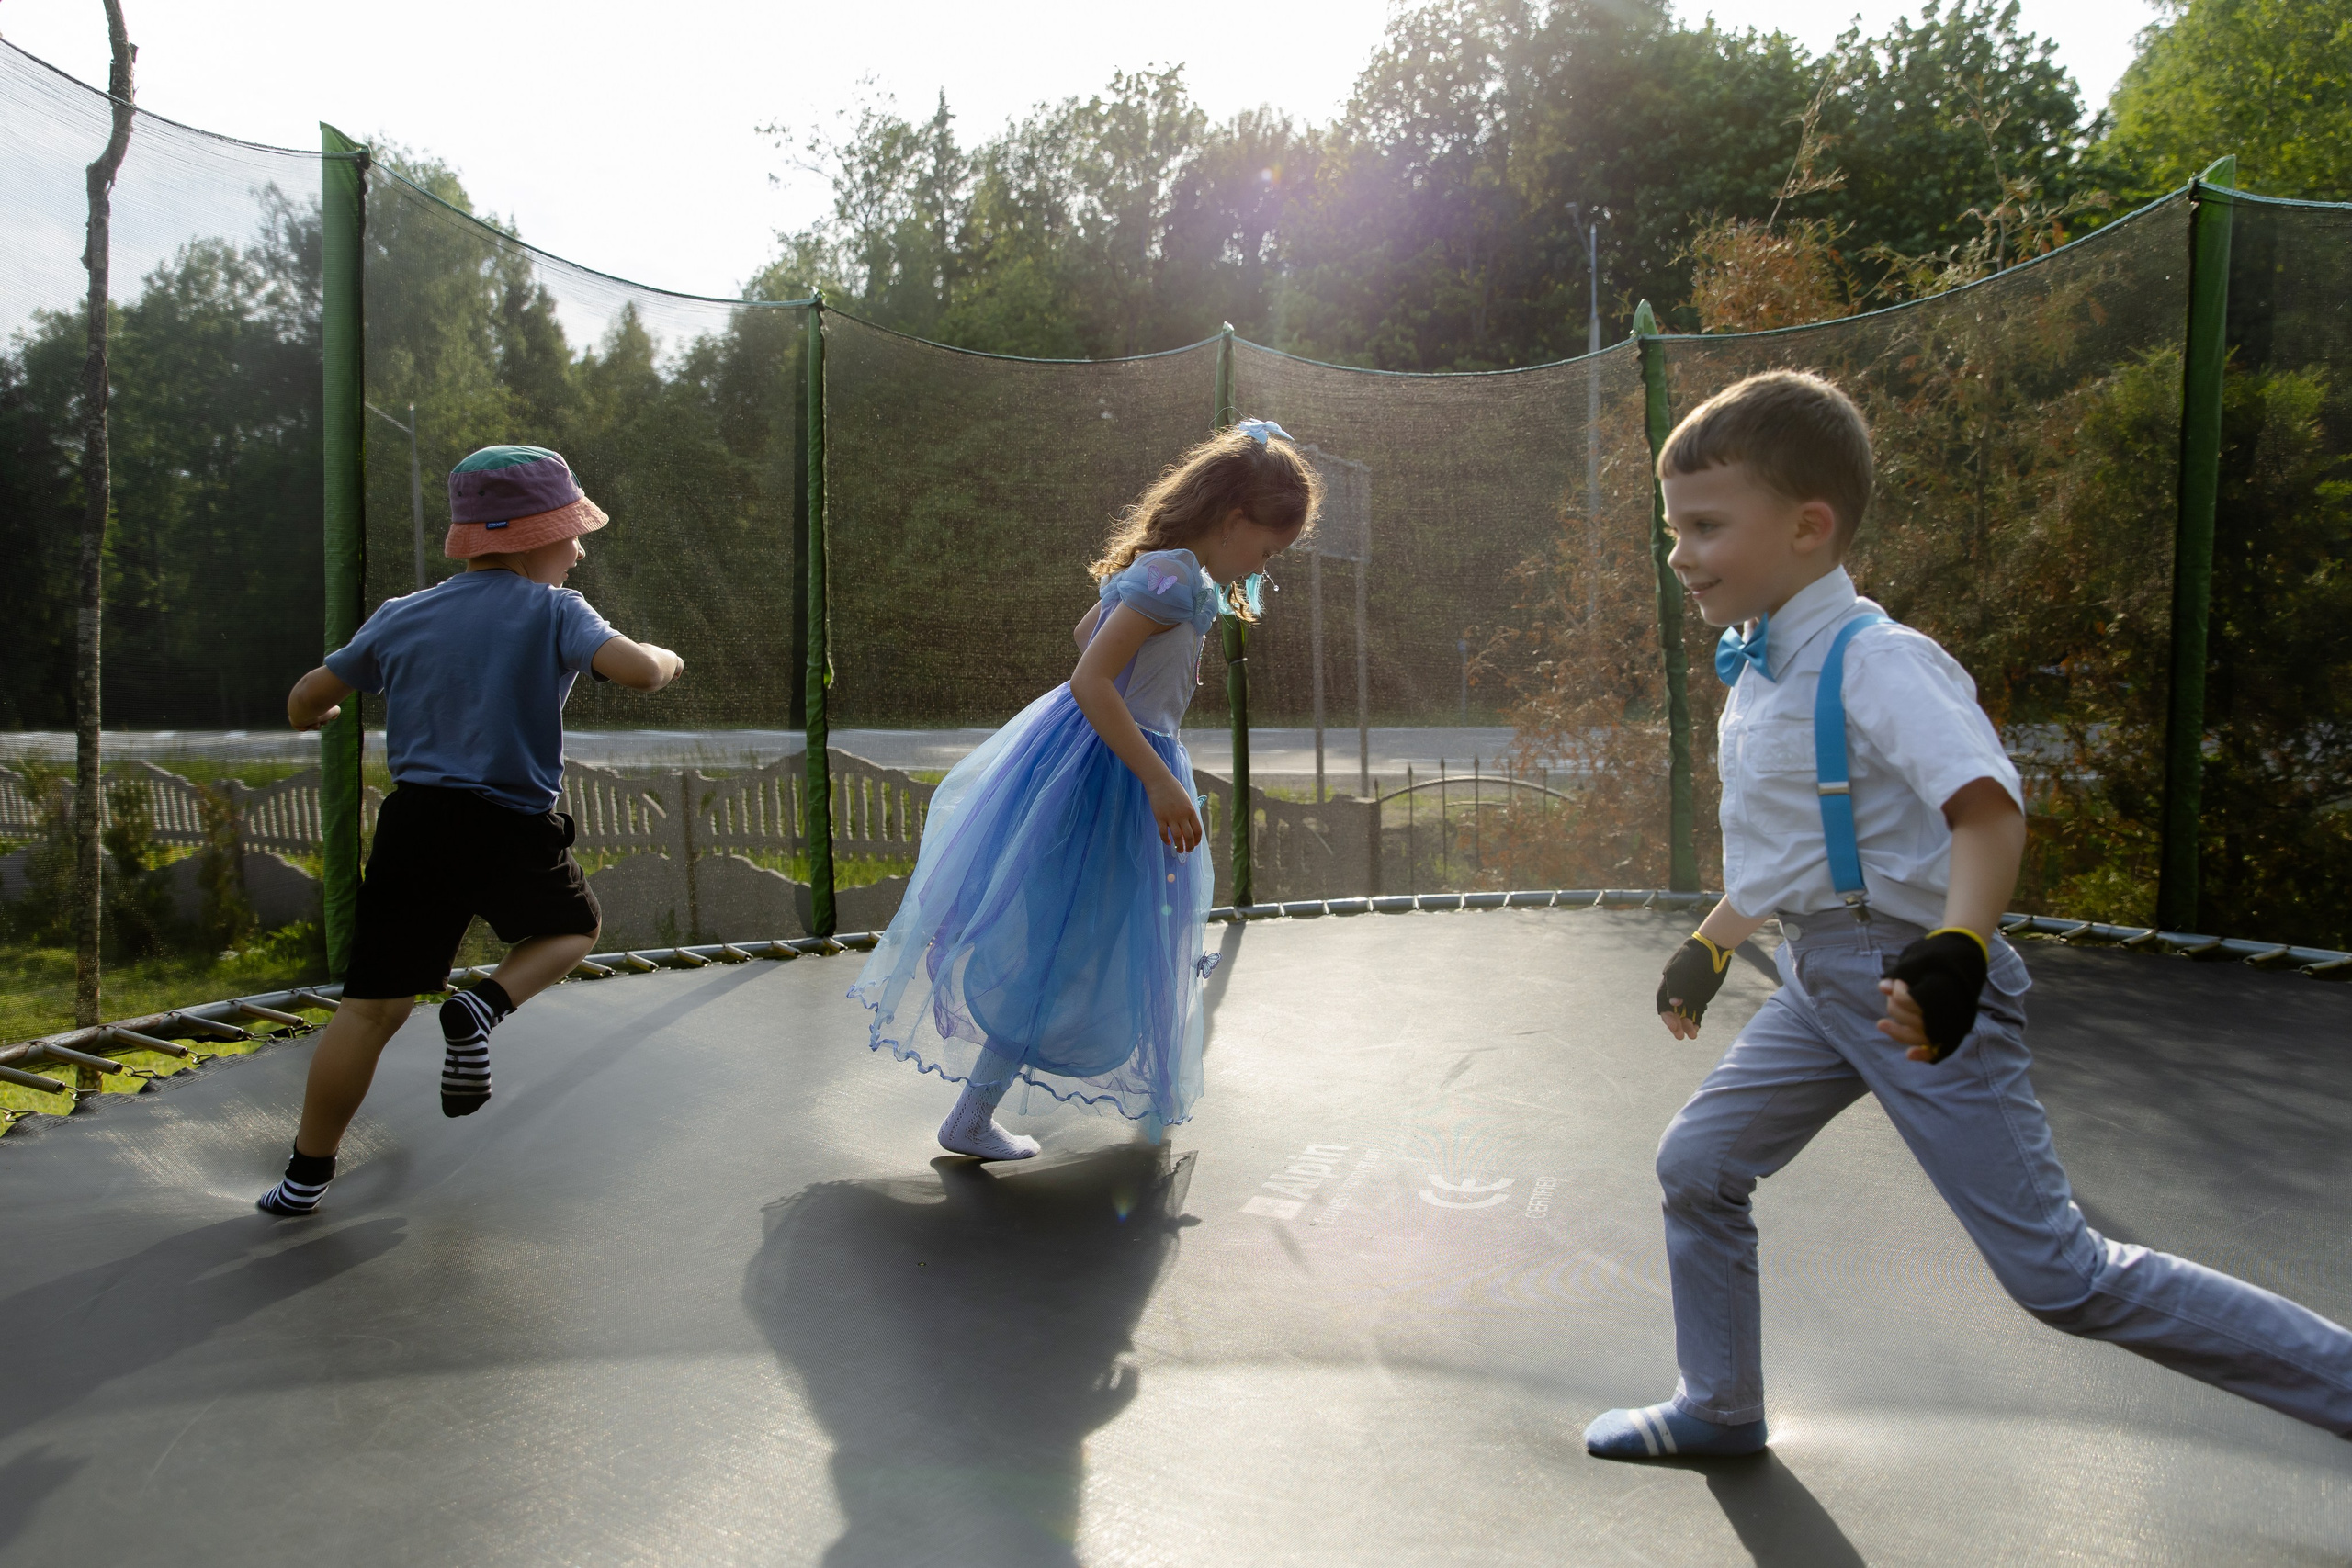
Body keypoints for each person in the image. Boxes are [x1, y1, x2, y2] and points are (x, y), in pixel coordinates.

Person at [1584, 371, 2352, 1458]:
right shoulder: (1759, 672)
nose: (1680, 555)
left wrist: (1958, 947)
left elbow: (1987, 810)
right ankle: (1718, 1403)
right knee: (1697, 1165)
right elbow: (1793, 851)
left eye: (1705, 527)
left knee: (2059, 1276)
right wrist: (1714, 943)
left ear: (1809, 528)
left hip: (1909, 986)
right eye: (1674, 529)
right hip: (1817, 983)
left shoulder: (1877, 660)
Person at [851, 420, 1319, 1159]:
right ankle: (973, 1115)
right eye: (1263, 551)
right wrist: (1160, 776)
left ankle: (1005, 1106)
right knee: (1071, 940)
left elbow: (1085, 633)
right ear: (1233, 520)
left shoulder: (1176, 576)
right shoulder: (1170, 576)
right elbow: (1090, 675)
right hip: (1113, 777)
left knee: (1092, 935)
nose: (1260, 567)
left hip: (1116, 766)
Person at [256, 446, 683, 1216]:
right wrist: (666, 656)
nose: (580, 549)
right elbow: (637, 672)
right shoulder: (555, 610)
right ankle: (481, 1007)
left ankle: (304, 1174)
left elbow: (302, 698)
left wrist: (319, 711)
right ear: (531, 538)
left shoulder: (402, 613)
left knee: (369, 1008)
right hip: (510, 824)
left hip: (414, 827)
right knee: (573, 927)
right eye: (572, 534)